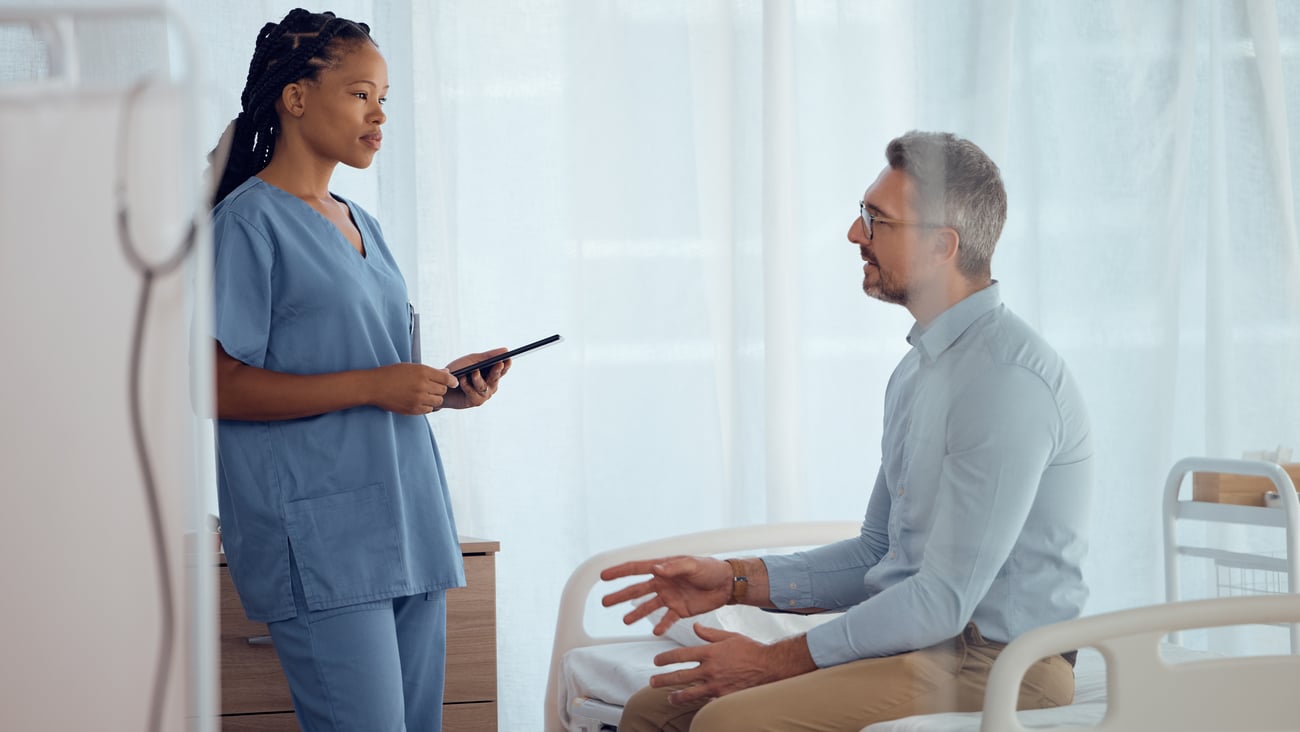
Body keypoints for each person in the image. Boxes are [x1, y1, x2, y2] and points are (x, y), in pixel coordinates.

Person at [600, 131, 1093, 732]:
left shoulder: (1006, 381)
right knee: (654, 711)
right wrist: (733, 579)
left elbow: (941, 602)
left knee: (730, 724)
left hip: (999, 664)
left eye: (875, 219)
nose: (855, 234)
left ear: (942, 245)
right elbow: (877, 553)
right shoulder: (919, 370)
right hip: (926, 646)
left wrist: (771, 662)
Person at [209, 9, 508, 731]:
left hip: (407, 522)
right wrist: (379, 385)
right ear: (297, 97)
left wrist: (438, 387)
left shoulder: (359, 222)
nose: (378, 114)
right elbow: (214, 384)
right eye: (359, 93)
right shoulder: (247, 225)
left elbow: (370, 370)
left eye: (384, 98)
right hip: (324, 543)